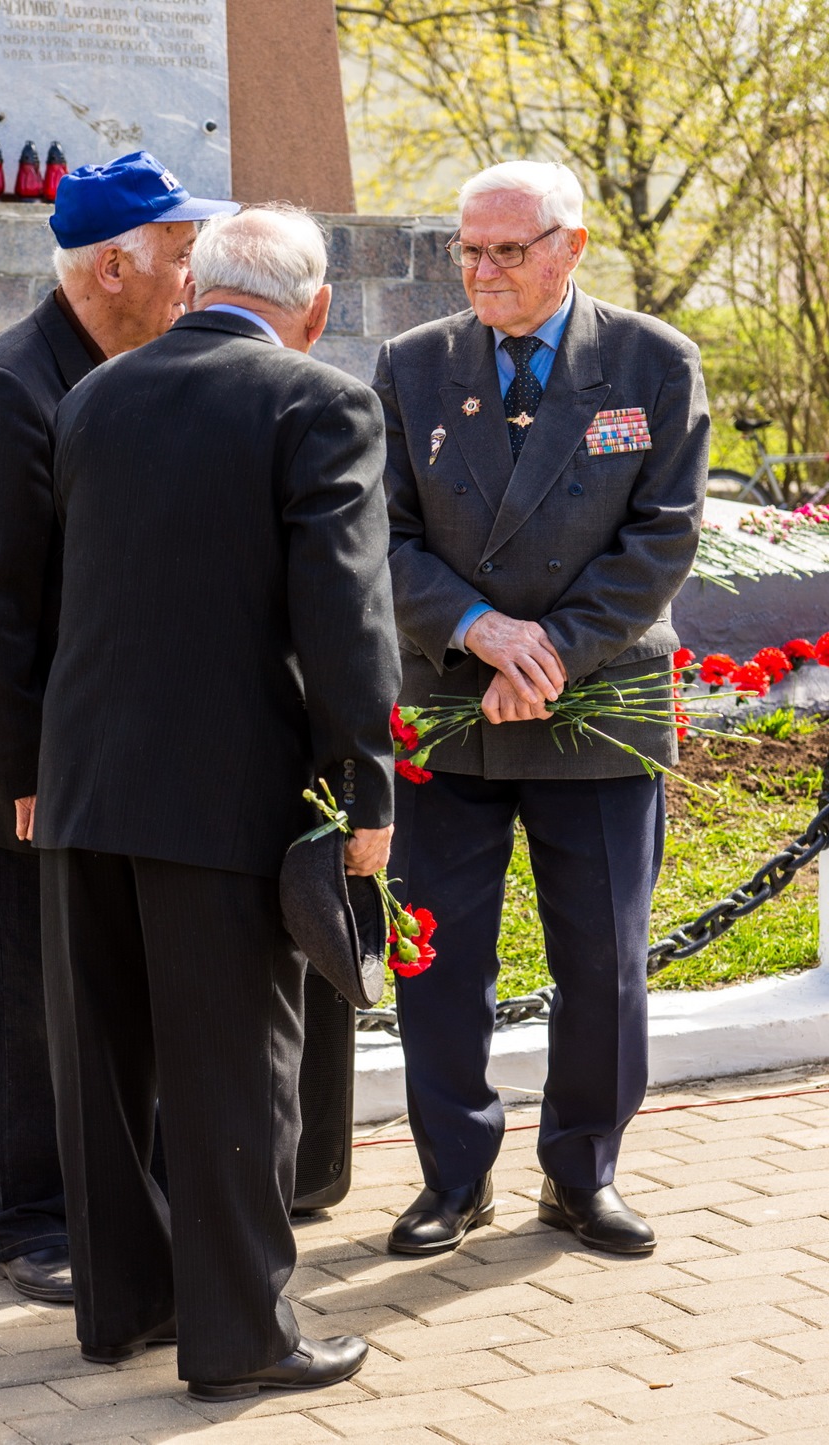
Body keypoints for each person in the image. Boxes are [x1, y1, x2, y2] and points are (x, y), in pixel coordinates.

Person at [31, 206, 401, 1396]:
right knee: (239, 1067)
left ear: (195, 289)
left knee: (105, 1065)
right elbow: (346, 615)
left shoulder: (96, 395)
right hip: (224, 791)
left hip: (87, 784)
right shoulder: (320, 402)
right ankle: (242, 1337)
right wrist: (367, 785)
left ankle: (125, 1308)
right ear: (316, 309)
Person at [0, 151, 238, 1303]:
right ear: (113, 267)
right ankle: (34, 1220)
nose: (195, 277)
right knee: (31, 1010)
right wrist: (27, 770)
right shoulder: (9, 383)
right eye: (183, 255)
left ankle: (119, 1200)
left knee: (108, 997)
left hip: (113, 765)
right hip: (22, 772)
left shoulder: (139, 368)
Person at [374, 160, 709, 1258]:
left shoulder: (653, 362)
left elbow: (662, 534)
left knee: (604, 962)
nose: (482, 270)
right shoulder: (413, 363)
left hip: (598, 701)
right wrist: (480, 628)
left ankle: (582, 1173)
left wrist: (550, 649)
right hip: (453, 698)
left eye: (507, 250)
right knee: (438, 960)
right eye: (467, 249)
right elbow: (382, 534)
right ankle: (453, 1177)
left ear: (571, 247)